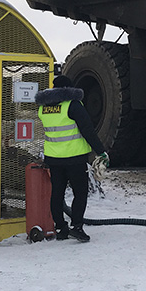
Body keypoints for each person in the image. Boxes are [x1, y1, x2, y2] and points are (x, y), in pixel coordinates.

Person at [35, 75, 109, 242]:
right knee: (80, 193)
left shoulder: (43, 108)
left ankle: (61, 228)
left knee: (57, 194)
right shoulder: (73, 105)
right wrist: (101, 151)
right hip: (74, 158)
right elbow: (87, 130)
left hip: (54, 158)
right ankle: (77, 227)